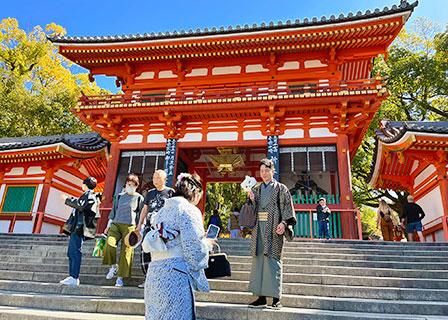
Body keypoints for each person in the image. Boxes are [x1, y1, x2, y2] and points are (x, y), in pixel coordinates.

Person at [143, 173, 213, 319]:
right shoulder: (189, 210)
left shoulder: (160, 212)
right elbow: (193, 248)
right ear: (194, 193)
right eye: (199, 194)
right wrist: (207, 245)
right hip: (175, 274)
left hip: (154, 274)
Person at [247, 159, 297, 309]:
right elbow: (251, 210)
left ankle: (275, 298)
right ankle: (260, 297)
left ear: (273, 171)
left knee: (273, 260)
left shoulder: (281, 189)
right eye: (261, 171)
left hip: (274, 227)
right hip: (258, 228)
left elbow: (287, 209)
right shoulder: (255, 189)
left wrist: (284, 223)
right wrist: (251, 200)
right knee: (259, 260)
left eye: (267, 170)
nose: (264, 173)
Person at [102, 174, 144, 287]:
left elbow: (141, 214)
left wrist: (140, 228)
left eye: (132, 185)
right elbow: (113, 212)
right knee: (109, 244)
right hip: (116, 224)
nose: (129, 186)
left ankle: (120, 278)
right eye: (128, 184)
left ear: (136, 186)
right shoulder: (120, 196)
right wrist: (108, 225)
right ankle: (113, 266)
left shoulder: (139, 198)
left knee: (126, 253)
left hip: (130, 226)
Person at [136, 169, 174, 288]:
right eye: (154, 178)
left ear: (165, 179)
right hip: (149, 227)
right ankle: (147, 278)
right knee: (145, 251)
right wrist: (139, 225)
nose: (155, 180)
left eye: (158, 178)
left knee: (162, 252)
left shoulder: (170, 192)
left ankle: (162, 279)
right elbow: (145, 209)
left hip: (163, 228)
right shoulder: (150, 193)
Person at [59, 177, 100, 286]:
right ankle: (72, 275)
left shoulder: (90, 195)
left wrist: (67, 199)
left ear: (85, 185)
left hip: (80, 227)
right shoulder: (87, 195)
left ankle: (74, 276)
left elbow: (80, 204)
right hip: (76, 226)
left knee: (75, 251)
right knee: (71, 251)